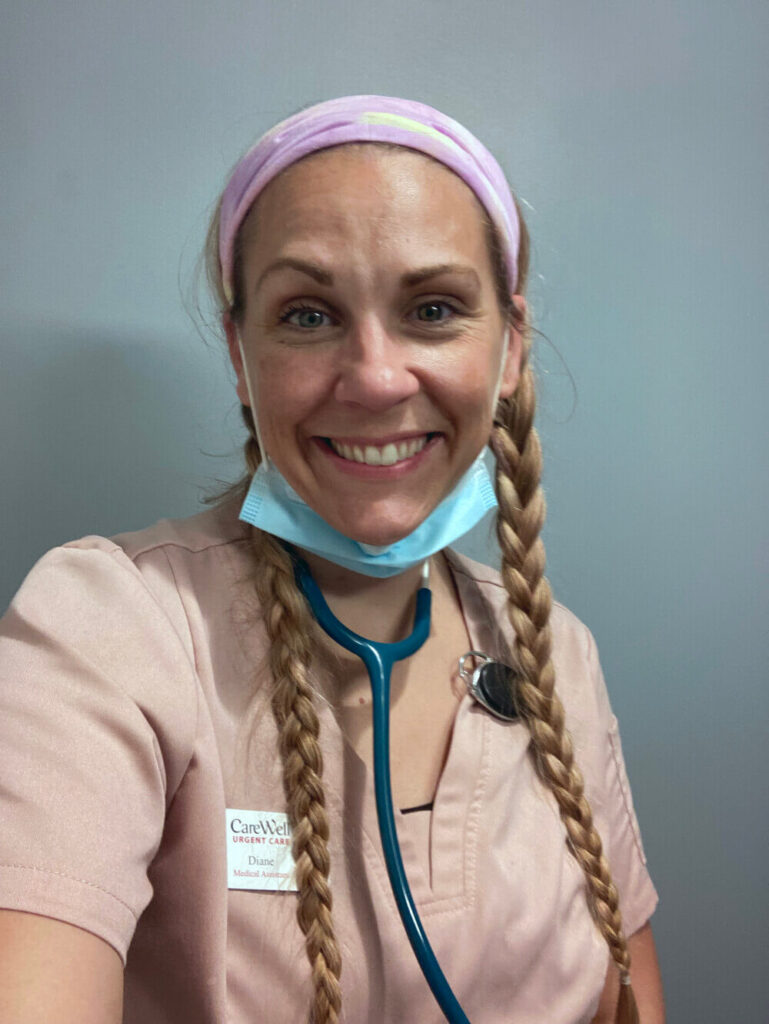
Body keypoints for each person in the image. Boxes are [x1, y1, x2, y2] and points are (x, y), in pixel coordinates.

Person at [0, 96, 664, 1024]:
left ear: (508, 344)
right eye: (308, 316)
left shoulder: (558, 659)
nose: (377, 376)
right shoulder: (105, 633)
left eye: (433, 309)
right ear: (241, 353)